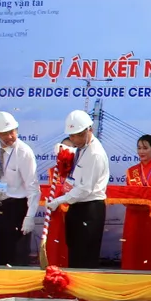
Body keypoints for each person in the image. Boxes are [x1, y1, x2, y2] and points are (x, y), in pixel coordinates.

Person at [46, 110, 109, 269]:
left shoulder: (95, 154)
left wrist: (59, 200)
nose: (75, 140)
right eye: (72, 136)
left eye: (79, 135)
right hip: (76, 207)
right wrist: (64, 150)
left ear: (89, 130)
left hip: (90, 209)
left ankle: (84, 285)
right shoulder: (81, 148)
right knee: (74, 251)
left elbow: (85, 189)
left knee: (85, 256)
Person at [0, 111, 40, 266]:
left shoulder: (24, 152)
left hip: (17, 208)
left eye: (12, 132)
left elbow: (33, 187)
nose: (9, 137)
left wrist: (30, 216)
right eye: (4, 134)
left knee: (16, 258)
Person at [122, 134, 151, 271]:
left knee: (150, 248)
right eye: (139, 148)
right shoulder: (131, 171)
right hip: (133, 217)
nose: (141, 151)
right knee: (132, 248)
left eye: (145, 148)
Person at [43, 137, 73, 268]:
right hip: (56, 215)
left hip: (73, 213)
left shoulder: (78, 170)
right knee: (55, 245)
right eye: (63, 148)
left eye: (69, 148)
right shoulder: (53, 171)